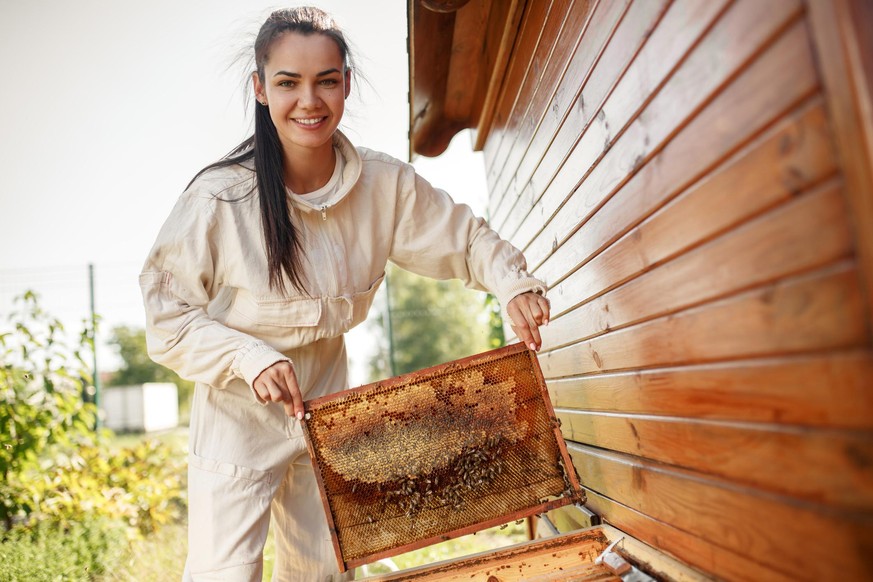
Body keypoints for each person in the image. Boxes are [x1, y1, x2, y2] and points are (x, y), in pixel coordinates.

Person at [140, 6, 550, 581]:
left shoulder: (385, 186)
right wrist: (250, 358)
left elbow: (464, 240)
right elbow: (166, 318)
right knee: (224, 573)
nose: (309, 101)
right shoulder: (219, 199)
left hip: (326, 404)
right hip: (236, 411)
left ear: (346, 84)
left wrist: (512, 283)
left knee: (324, 572)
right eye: (288, 82)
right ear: (259, 88)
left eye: (325, 81)